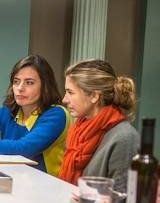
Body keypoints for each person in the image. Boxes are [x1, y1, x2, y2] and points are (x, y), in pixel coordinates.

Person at [58, 59, 139, 192]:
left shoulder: (125, 138)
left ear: (94, 96)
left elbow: (123, 200)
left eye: (70, 92)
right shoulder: (78, 130)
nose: (64, 99)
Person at [0, 55, 70, 176]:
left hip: (46, 187)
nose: (20, 88)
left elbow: (23, 150)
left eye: (29, 83)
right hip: (11, 181)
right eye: (16, 82)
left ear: (45, 86)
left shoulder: (57, 114)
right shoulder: (7, 111)